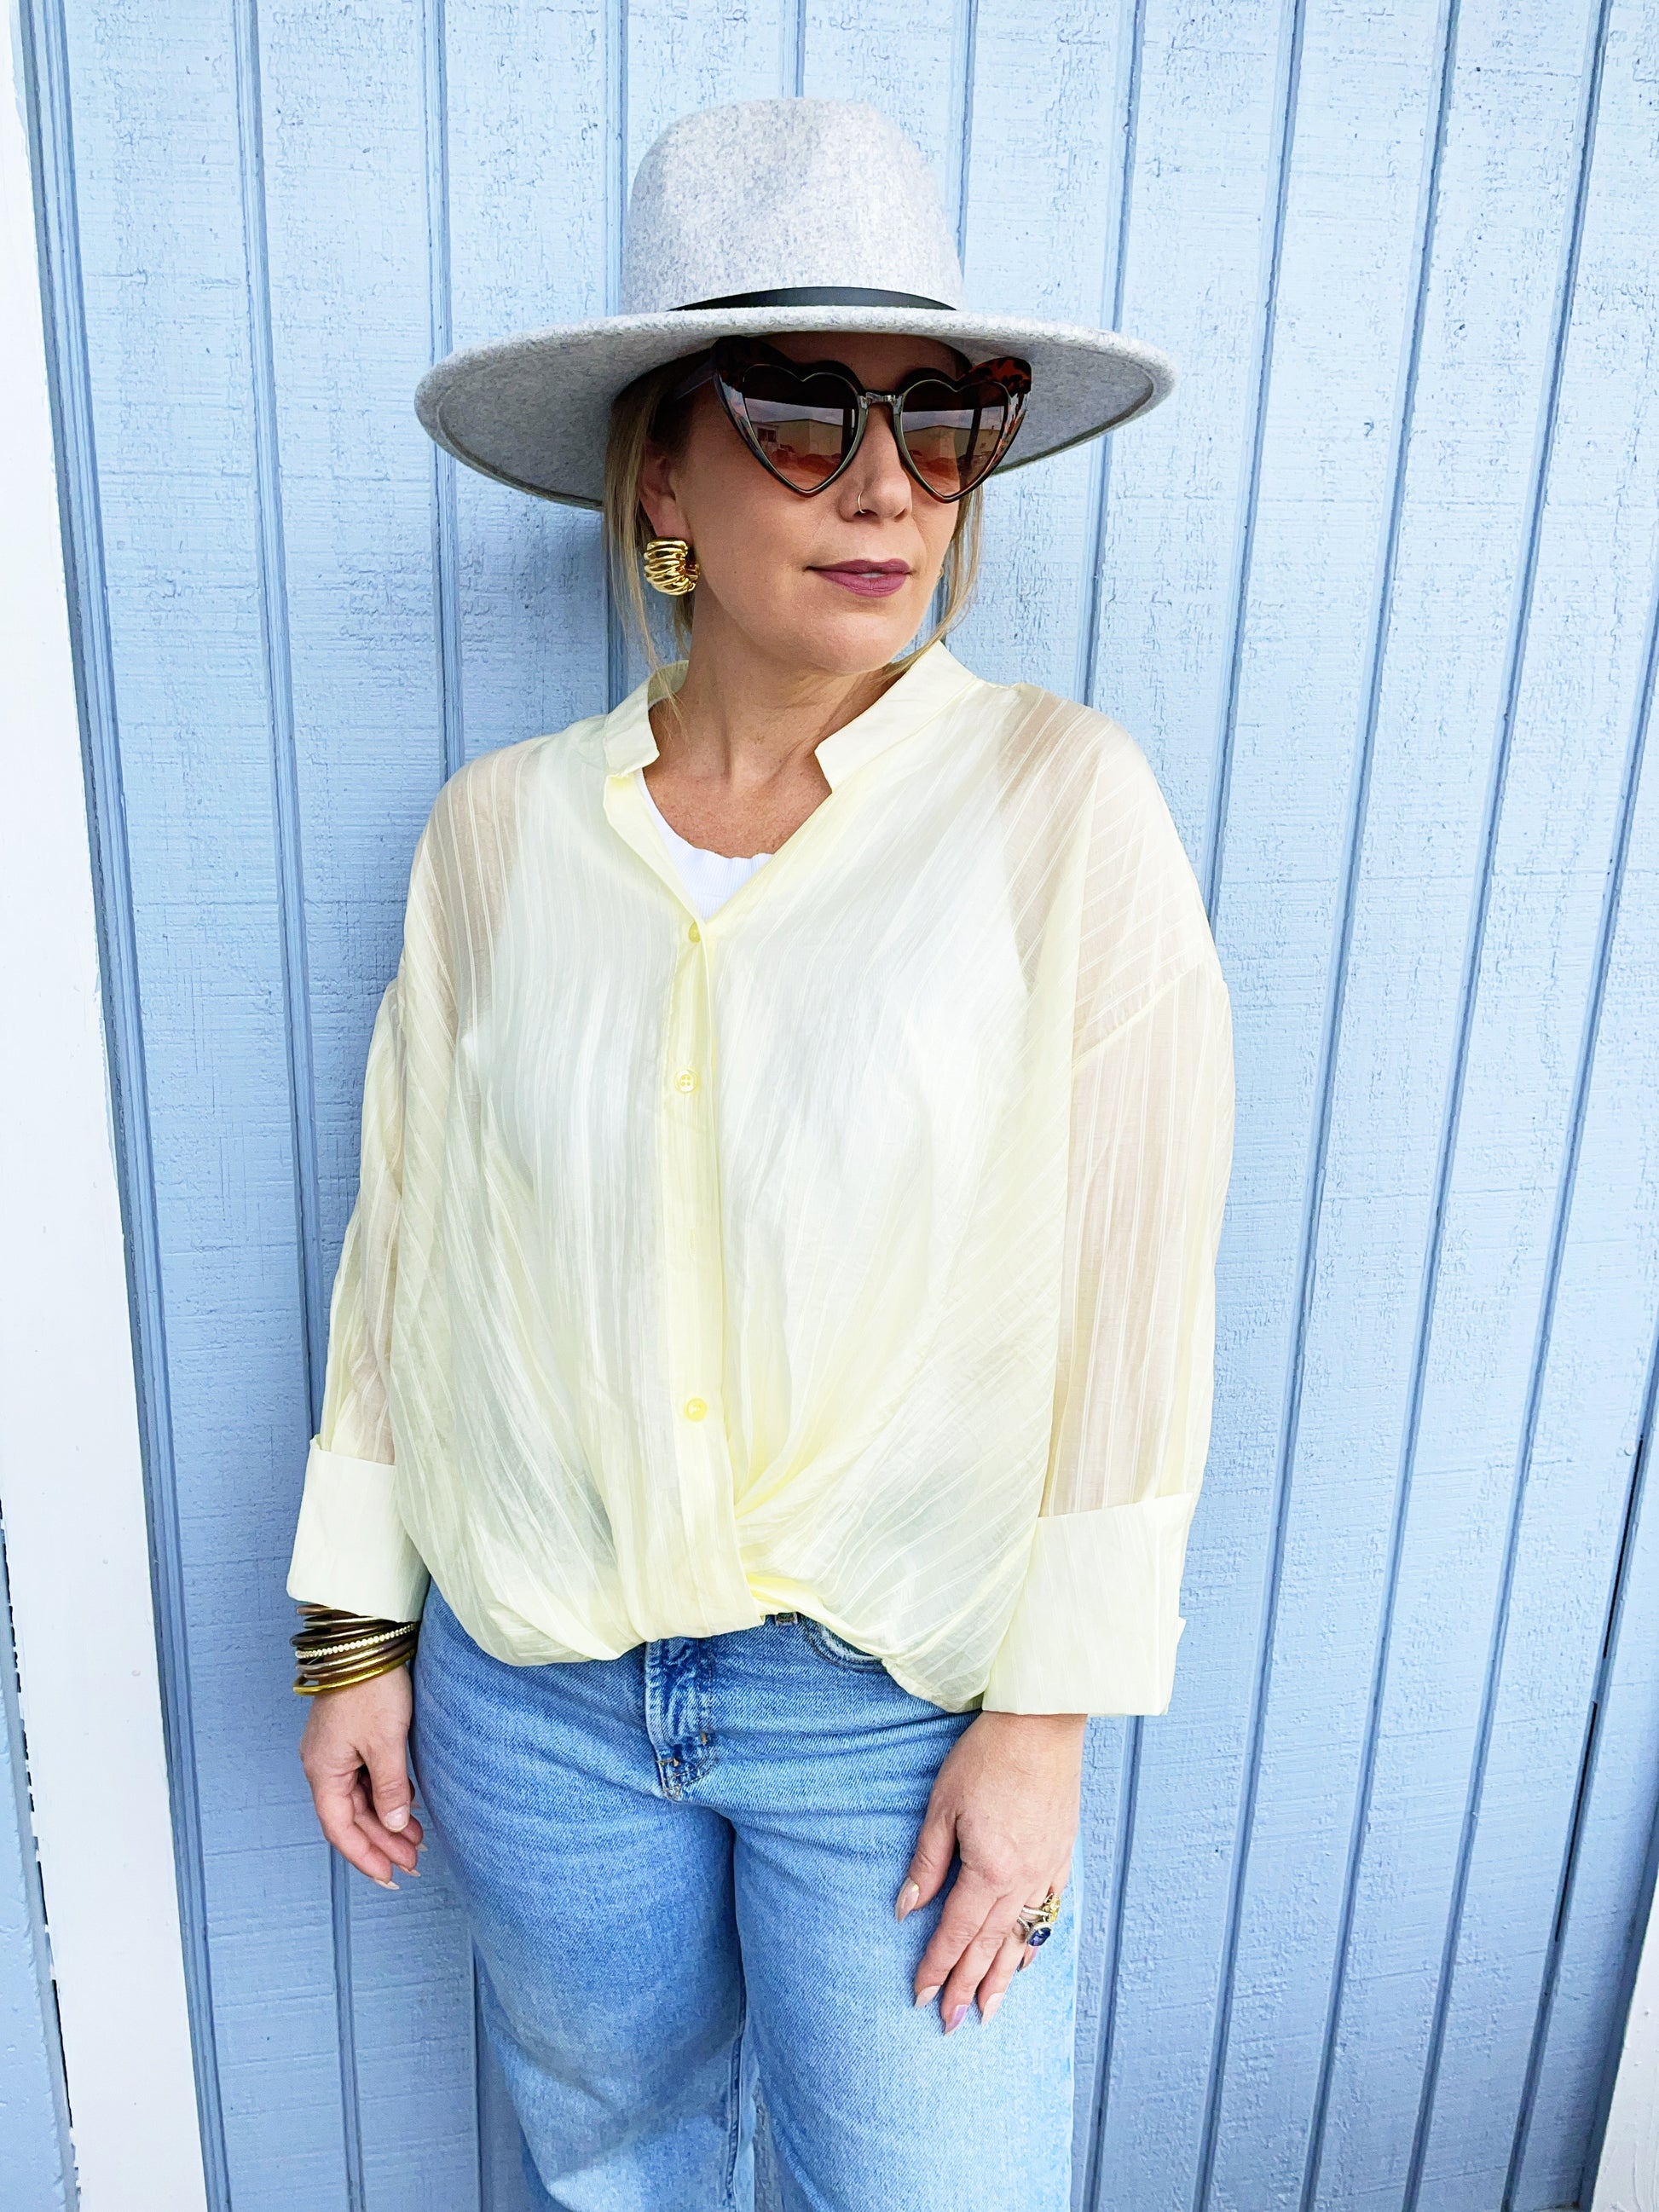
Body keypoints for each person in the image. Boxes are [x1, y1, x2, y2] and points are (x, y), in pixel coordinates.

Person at [287, 95, 1234, 2211]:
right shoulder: (500, 835)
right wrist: (355, 1625)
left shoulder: (1059, 807)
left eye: (944, 420)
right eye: (802, 416)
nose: (887, 483)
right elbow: (413, 1245)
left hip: (891, 1713)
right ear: (661, 477)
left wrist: (1049, 1719)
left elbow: (1133, 1290)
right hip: (533, 1691)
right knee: (618, 2167)